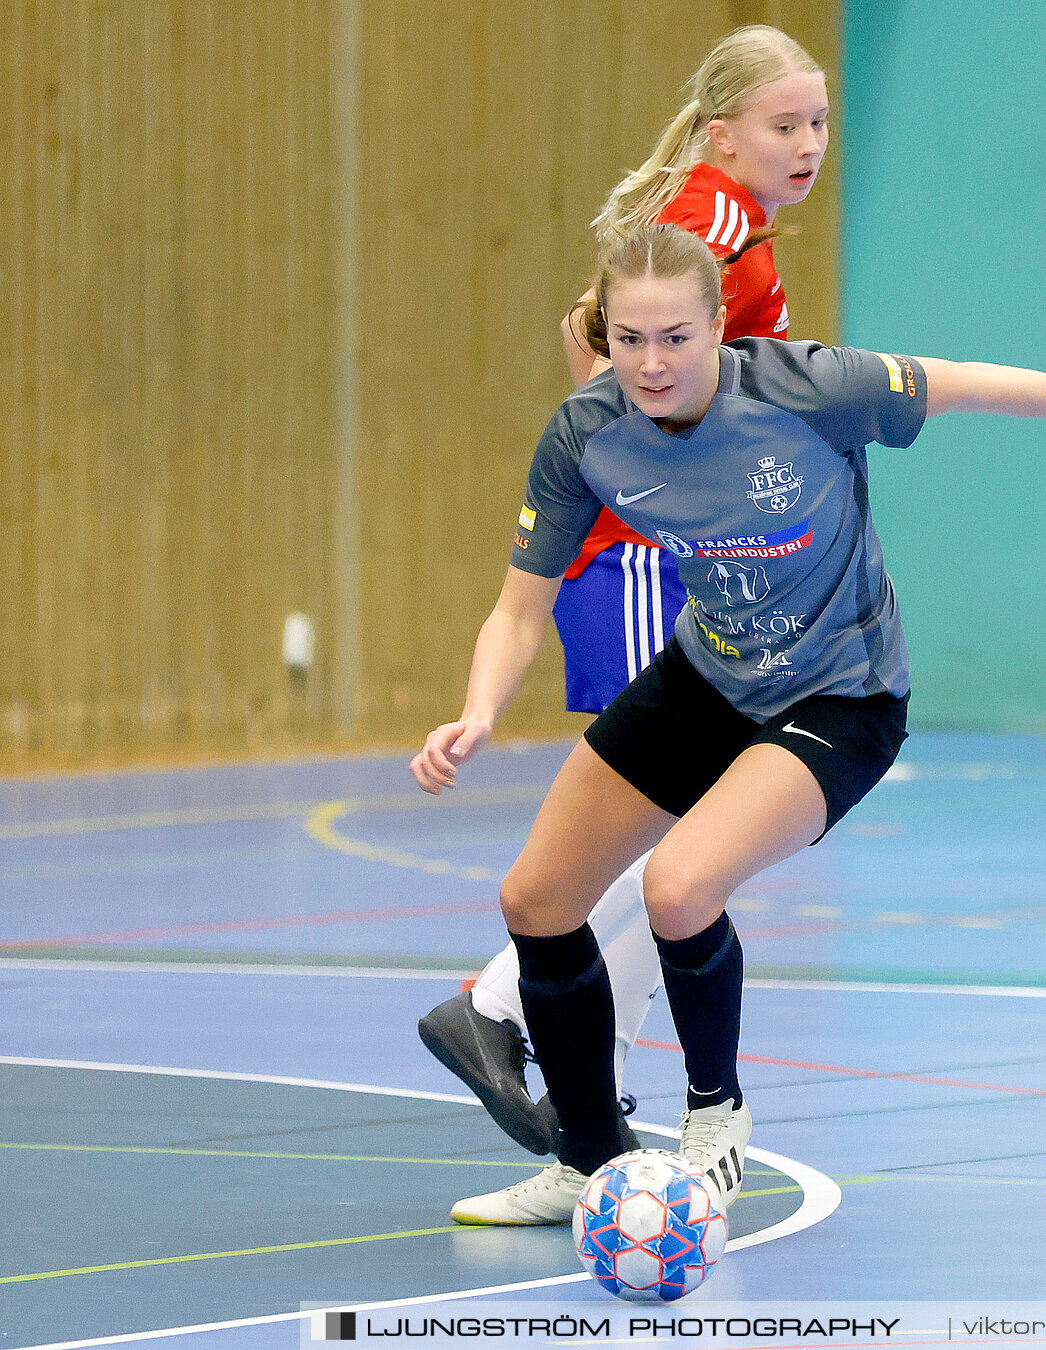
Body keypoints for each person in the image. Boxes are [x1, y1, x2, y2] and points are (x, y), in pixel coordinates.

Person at [410, 223, 1046, 1224]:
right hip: (711, 671)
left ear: (720, 328)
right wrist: (476, 711)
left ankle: (715, 1116)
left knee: (681, 887)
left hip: (841, 694)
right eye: (630, 338)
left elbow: (960, 381)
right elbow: (519, 607)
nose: (652, 362)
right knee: (538, 895)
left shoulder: (806, 387)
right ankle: (592, 1163)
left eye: (676, 338)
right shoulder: (585, 434)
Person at [414, 24, 830, 1188]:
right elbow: (603, 364)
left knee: (684, 863)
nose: (806, 145)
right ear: (721, 133)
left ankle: (574, 1118)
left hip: (678, 556)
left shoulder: (726, 221)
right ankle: (506, 1018)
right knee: (681, 858)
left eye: (817, 123)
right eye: (782, 124)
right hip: (653, 563)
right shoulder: (708, 224)